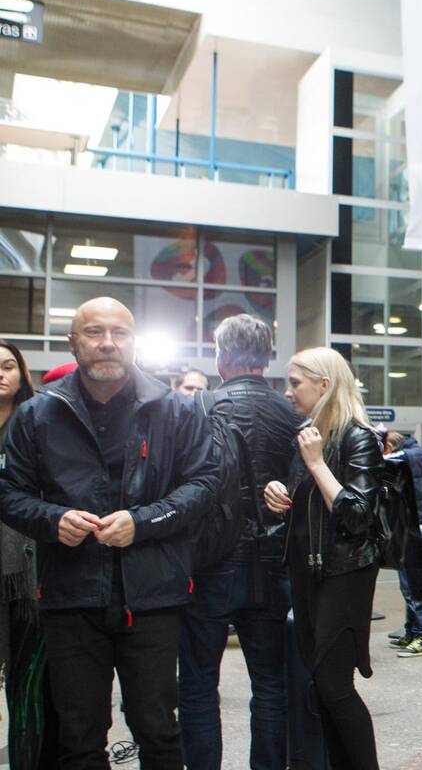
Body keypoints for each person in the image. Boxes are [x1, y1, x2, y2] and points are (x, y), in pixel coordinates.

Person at [0, 297, 219, 768]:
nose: (107, 343)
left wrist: (143, 521)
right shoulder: (36, 415)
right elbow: (9, 493)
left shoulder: (176, 412)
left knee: (158, 730)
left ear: (133, 341)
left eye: (119, 333)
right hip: (70, 595)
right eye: (94, 332)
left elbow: (204, 485)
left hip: (152, 596)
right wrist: (52, 520)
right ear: (72, 343)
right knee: (79, 738)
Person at [178, 315, 299, 770]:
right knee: (270, 684)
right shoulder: (292, 413)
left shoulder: (200, 407)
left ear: (222, 355)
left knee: (197, 684)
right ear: (267, 356)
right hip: (275, 561)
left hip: (211, 563)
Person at [263, 347, 382, 769]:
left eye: (295, 383)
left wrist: (315, 464)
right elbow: (309, 508)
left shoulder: (357, 437)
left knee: (334, 686)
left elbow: (357, 516)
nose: (288, 391)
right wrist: (279, 492)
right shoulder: (308, 434)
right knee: (322, 686)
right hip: (308, 572)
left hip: (345, 573)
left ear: (324, 385)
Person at [0, 340, 56, 769]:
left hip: (26, 571)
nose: (0, 374)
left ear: (21, 374)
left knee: (27, 688)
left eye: (7, 366)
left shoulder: (37, 421)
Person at [382, 431, 422, 658]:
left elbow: (382, 463)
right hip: (420, 526)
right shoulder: (420, 454)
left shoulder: (406, 456)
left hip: (414, 528)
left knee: (413, 586)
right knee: (410, 585)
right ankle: (412, 631)